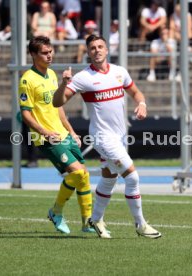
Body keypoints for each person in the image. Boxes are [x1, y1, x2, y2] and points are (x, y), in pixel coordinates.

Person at [53, 34, 162, 239]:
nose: (97, 50)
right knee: (132, 177)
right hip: (102, 137)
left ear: (107, 49)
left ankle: (95, 219)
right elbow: (57, 103)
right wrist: (63, 84)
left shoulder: (120, 72)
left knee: (109, 177)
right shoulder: (83, 77)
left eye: (100, 46)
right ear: (88, 52)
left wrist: (142, 104)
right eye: (92, 47)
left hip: (120, 136)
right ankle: (140, 224)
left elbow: (137, 93)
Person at [18, 35, 95, 234]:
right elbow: (25, 114)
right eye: (44, 52)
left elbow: (58, 107)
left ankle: (87, 222)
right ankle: (55, 211)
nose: (49, 55)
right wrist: (45, 132)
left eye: (51, 51)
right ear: (33, 54)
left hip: (63, 133)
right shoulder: (27, 79)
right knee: (77, 172)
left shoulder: (52, 75)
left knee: (84, 176)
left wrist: (71, 131)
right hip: (47, 138)